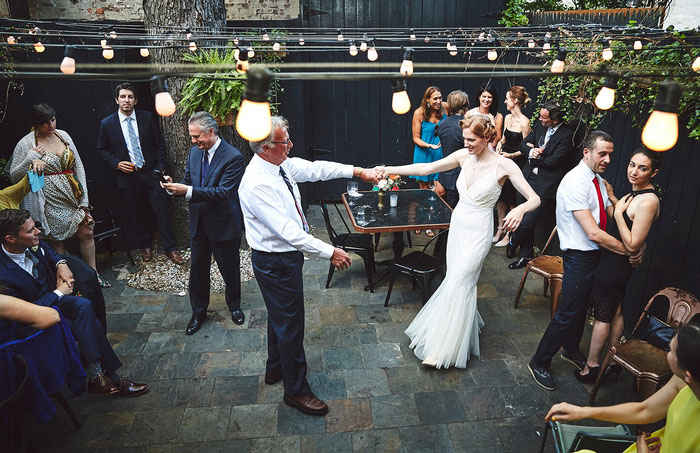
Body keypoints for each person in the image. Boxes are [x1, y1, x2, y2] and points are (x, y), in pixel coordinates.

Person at [375, 115, 540, 369]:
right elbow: (425, 169)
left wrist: (519, 210)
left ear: (487, 138)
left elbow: (534, 199)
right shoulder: (464, 156)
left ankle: (442, 349)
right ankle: (460, 324)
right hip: (459, 226)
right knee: (454, 278)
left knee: (461, 280)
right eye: (465, 139)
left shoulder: (504, 166)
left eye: (472, 139)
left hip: (479, 232)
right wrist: (389, 169)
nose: (467, 144)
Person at [239, 116, 378, 416]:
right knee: (291, 324)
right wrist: (330, 252)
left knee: (280, 317)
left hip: (284, 259)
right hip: (274, 261)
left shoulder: (279, 165)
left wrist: (358, 171)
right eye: (284, 142)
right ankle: (296, 392)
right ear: (265, 147)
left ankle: (275, 368)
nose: (291, 145)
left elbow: (316, 169)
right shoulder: (256, 183)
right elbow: (289, 232)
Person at [528, 131, 644, 391]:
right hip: (578, 256)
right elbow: (592, 232)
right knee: (569, 312)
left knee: (582, 308)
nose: (608, 159)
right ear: (587, 152)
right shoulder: (574, 183)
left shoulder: (598, 181)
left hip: (596, 255)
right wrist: (629, 250)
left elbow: (611, 213)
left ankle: (570, 349)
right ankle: (539, 361)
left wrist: (619, 208)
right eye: (603, 153)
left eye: (611, 154)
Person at [0, 209, 148, 396]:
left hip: (54, 304)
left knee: (83, 305)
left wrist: (61, 263)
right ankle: (112, 378)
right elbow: (26, 312)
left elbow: (50, 253)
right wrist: (58, 292)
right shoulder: (3, 274)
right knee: (90, 324)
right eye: (30, 231)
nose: (38, 232)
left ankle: (97, 378)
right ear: (11, 239)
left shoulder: (33, 244)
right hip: (32, 324)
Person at [576, 148, 662, 383]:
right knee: (616, 310)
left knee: (604, 313)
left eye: (642, 168)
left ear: (653, 173)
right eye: (632, 164)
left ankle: (592, 366)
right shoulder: (634, 195)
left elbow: (633, 243)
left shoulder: (648, 201)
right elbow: (624, 220)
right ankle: (613, 362)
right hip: (613, 261)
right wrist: (615, 200)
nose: (634, 172)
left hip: (615, 266)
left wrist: (619, 213)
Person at [545, 323, 700, 453]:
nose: (667, 349)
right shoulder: (683, 379)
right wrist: (584, 412)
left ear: (688, 375)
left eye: (671, 350)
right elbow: (645, 410)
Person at [160, 112, 245, 335]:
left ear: (211, 131)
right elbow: (189, 183)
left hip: (224, 224)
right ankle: (198, 313)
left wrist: (186, 190)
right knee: (197, 272)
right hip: (199, 224)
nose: (193, 141)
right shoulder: (194, 153)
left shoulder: (233, 157)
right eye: (191, 136)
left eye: (197, 136)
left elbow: (223, 192)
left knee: (230, 270)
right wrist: (174, 187)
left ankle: (234, 306)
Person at [8, 104, 109, 287]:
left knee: (87, 232)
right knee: (57, 242)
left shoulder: (63, 135)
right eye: (46, 123)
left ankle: (93, 275)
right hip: (47, 201)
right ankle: (71, 279)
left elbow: (78, 166)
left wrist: (84, 198)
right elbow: (14, 175)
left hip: (71, 196)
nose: (51, 125)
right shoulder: (26, 143)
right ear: (36, 124)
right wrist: (30, 158)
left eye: (53, 119)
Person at [96, 83, 183, 265]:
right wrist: (117, 164)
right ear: (116, 100)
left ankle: (171, 248)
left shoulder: (147, 117)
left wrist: (160, 168)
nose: (126, 100)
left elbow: (159, 143)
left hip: (151, 173)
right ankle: (145, 246)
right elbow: (102, 149)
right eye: (123, 97)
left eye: (129, 97)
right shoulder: (108, 123)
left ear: (135, 100)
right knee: (137, 213)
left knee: (162, 212)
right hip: (128, 177)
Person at [507, 100, 575, 270]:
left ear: (555, 120)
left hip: (545, 186)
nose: (540, 119)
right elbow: (523, 144)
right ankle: (526, 254)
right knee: (523, 218)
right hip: (527, 179)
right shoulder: (540, 125)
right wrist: (531, 151)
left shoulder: (566, 135)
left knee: (525, 222)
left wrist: (535, 158)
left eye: (544, 118)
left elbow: (554, 162)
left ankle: (513, 239)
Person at [494, 86, 532, 247]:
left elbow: (527, 149)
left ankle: (509, 235)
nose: (504, 101)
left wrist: (511, 155)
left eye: (507, 98)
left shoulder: (525, 123)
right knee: (501, 197)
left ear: (515, 101)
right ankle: (499, 229)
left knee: (512, 201)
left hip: (516, 163)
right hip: (503, 160)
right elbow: (504, 138)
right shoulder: (508, 118)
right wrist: (499, 145)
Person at [411, 86, 448, 236]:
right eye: (435, 99)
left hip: (440, 153)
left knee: (440, 188)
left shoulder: (445, 108)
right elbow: (415, 137)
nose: (438, 101)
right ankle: (423, 221)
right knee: (424, 188)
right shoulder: (419, 113)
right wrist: (429, 145)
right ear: (427, 100)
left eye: (440, 97)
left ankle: (433, 218)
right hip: (424, 152)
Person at [435, 90, 469, 209]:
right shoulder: (464, 125)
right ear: (465, 104)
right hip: (462, 174)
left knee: (448, 209)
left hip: (446, 173)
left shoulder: (442, 123)